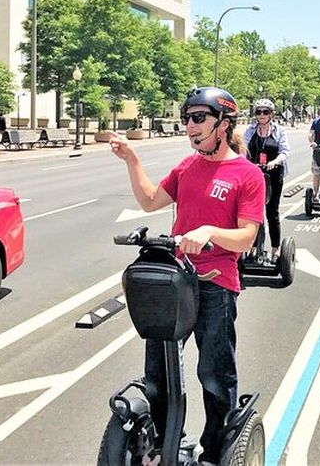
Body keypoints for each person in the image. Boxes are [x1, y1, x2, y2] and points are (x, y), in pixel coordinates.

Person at [109, 87, 265, 465]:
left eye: (198, 118)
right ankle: (166, 445)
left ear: (223, 124)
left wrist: (209, 232)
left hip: (216, 285)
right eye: (187, 119)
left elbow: (247, 237)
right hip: (176, 283)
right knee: (158, 374)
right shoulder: (187, 167)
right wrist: (132, 159)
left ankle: (214, 450)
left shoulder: (247, 174)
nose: (190, 126)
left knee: (214, 375)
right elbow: (150, 200)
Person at [243, 98, 290, 262]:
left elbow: (285, 151)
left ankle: (276, 248)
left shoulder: (279, 131)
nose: (261, 115)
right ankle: (254, 247)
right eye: (258, 112)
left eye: (265, 112)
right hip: (254, 176)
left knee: (272, 212)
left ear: (271, 114)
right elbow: (243, 150)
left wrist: (275, 162)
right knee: (253, 213)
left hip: (273, 175)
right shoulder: (250, 130)